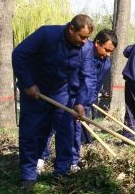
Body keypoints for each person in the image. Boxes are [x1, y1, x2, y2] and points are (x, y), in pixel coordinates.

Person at [12, 14, 95, 189]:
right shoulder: (47, 34)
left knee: (66, 131)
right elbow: (20, 54)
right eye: (82, 37)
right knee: (31, 132)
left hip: (62, 93)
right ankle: (28, 175)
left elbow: (88, 78)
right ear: (71, 29)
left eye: (87, 38)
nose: (84, 42)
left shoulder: (86, 48)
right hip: (36, 91)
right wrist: (28, 84)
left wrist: (80, 102)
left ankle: (61, 172)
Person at [37, 29, 118, 174]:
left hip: (82, 100)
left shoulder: (105, 64)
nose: (108, 54)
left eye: (111, 52)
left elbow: (94, 85)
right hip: (64, 94)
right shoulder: (81, 50)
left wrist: (85, 102)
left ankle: (72, 161)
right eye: (106, 50)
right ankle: (41, 157)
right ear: (97, 43)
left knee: (75, 129)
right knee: (50, 126)